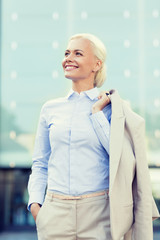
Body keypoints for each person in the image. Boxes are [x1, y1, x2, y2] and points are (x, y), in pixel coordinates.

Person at [27, 33, 159, 240]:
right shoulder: (50, 109)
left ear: (96, 64)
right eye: (66, 53)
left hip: (100, 213)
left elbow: (120, 159)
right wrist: (36, 206)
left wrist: (97, 113)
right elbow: (40, 163)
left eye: (78, 53)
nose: (68, 58)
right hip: (55, 212)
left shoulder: (112, 110)